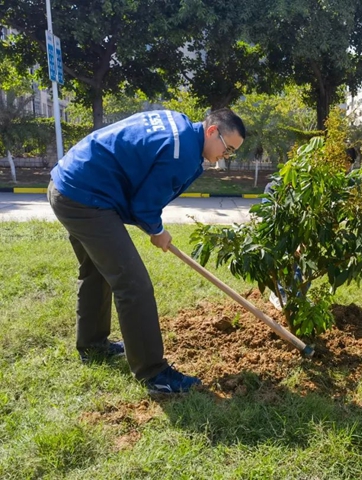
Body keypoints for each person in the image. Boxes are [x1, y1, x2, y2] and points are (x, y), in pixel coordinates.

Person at [48, 108, 245, 393]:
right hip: (85, 197)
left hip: (69, 182)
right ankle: (154, 373)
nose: (225, 157)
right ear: (212, 131)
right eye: (227, 149)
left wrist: (153, 227)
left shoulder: (179, 124)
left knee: (97, 270)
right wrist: (157, 230)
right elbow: (144, 206)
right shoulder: (182, 153)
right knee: (133, 284)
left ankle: (93, 345)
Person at [264, 146, 358, 310]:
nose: (344, 165)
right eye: (341, 160)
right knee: (285, 252)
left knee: (306, 258)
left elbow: (331, 217)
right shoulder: (314, 173)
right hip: (277, 199)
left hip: (307, 218)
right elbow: (299, 204)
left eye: (348, 162)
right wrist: (299, 240)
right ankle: (280, 293)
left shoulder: (340, 184)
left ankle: (298, 299)